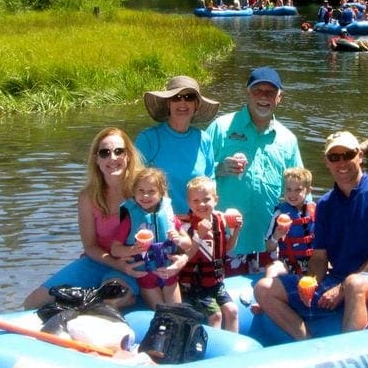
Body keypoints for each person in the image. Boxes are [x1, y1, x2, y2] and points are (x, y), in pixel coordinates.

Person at [253, 131, 368, 339]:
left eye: (348, 155)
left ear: (359, 155)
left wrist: (342, 289)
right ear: (327, 162)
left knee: (355, 283)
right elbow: (319, 256)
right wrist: (311, 281)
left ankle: (349, 352)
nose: (341, 162)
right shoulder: (325, 204)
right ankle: (307, 343)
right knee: (264, 288)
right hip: (337, 278)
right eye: (334, 157)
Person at [23, 127, 145, 310]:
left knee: (110, 300)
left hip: (131, 263)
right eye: (105, 153)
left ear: (128, 156)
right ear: (96, 159)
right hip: (97, 261)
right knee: (32, 302)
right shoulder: (88, 197)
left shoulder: (143, 190)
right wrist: (114, 263)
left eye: (119, 151)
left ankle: (127, 298)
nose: (112, 158)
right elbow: (90, 246)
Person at [205, 66, 303, 273]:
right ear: (247, 93)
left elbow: (301, 189)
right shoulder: (221, 127)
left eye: (270, 92)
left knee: (265, 299)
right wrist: (220, 168)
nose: (264, 97)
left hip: (269, 241)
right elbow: (198, 177)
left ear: (280, 97)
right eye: (258, 91)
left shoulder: (288, 139)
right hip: (227, 240)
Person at [136, 76, 219, 215]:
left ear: (196, 104)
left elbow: (211, 181)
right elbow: (132, 182)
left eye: (189, 97)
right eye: (176, 97)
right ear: (168, 103)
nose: (182, 102)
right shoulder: (148, 139)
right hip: (159, 223)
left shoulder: (204, 139)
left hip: (196, 224)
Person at [111, 167, 190, 309]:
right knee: (160, 312)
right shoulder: (130, 218)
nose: (145, 196)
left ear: (161, 193)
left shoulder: (168, 215)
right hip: (145, 275)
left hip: (169, 273)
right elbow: (115, 250)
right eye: (141, 191)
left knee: (177, 312)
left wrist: (178, 239)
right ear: (134, 192)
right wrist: (133, 250)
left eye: (151, 191)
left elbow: (187, 243)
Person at [178, 176, 242, 331]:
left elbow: (227, 249)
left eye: (206, 199)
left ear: (216, 200)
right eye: (196, 201)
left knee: (232, 310)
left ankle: (233, 350)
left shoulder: (220, 220)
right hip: (194, 285)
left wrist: (236, 231)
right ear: (189, 203)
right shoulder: (184, 226)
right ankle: (213, 352)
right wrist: (198, 235)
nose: (201, 204)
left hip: (215, 282)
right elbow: (184, 255)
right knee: (216, 316)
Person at [263, 167, 315, 278]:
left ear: (308, 191)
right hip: (288, 264)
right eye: (288, 189)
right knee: (272, 269)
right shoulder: (279, 214)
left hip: (313, 263)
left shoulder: (315, 211)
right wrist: (276, 236)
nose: (292, 194)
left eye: (298, 190)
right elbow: (269, 247)